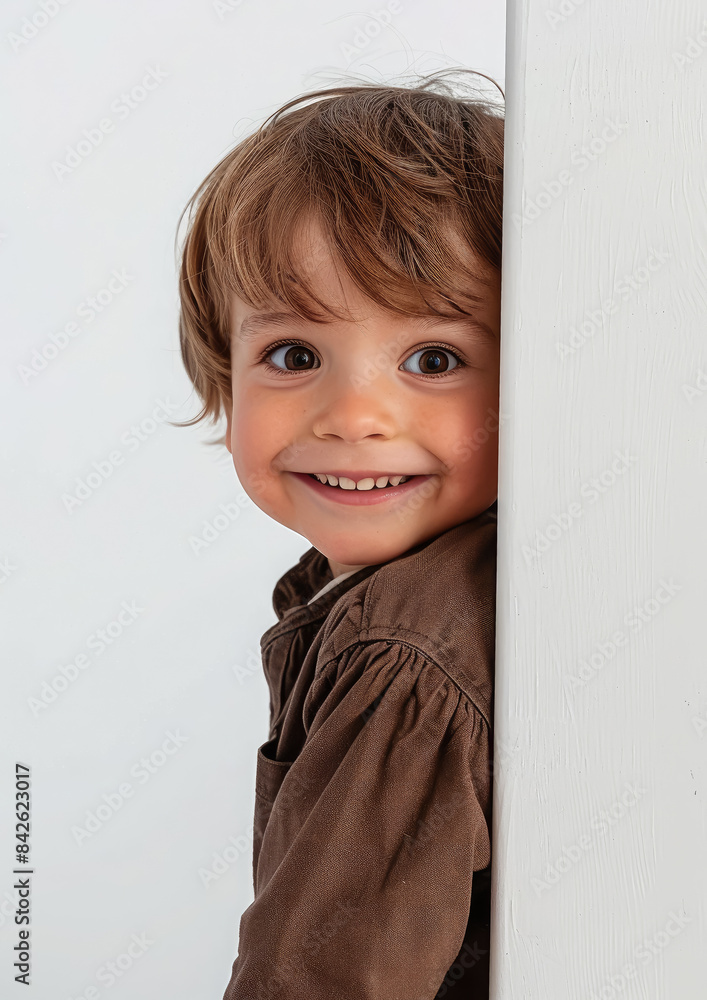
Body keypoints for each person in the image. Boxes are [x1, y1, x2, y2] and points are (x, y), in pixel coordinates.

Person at [175, 68, 504, 999]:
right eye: (293, 355)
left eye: (433, 358)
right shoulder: (396, 605)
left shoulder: (400, 657)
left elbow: (316, 979)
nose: (354, 416)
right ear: (226, 375)